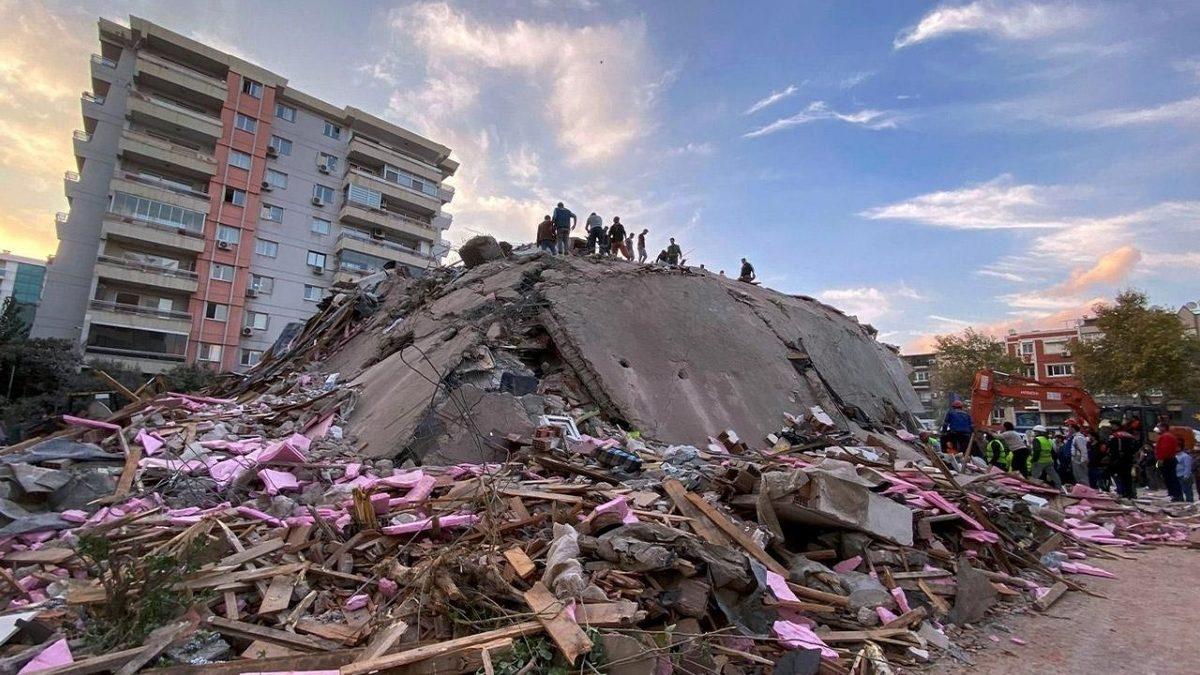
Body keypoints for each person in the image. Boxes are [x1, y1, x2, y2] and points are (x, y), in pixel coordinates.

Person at [1155, 417, 1183, 501]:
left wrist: (1160, 460)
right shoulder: (1167, 436)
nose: (1157, 429)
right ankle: (1174, 494)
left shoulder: (1166, 436)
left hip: (1166, 460)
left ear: (1163, 427)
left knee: (1169, 478)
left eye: (1158, 427)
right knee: (1169, 477)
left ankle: (1175, 495)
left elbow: (1164, 449)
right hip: (1167, 459)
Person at [1109, 421, 1139, 499]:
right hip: (1128, 459)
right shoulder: (1129, 435)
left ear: (1117, 426)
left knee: (1120, 477)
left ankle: (1123, 492)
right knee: (1128, 477)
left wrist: (1113, 459)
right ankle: (1130, 493)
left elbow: (1112, 449)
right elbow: (1135, 446)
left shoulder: (1115, 436)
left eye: (1113, 425)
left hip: (1119, 460)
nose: (1111, 427)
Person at [1068, 423, 1089, 487]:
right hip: (1075, 458)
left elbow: (1083, 450)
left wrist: (1083, 460)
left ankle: (1086, 490)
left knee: (1082, 476)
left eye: (1069, 428)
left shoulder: (1079, 437)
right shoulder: (1075, 437)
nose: (1069, 429)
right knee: (1077, 476)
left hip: (1079, 458)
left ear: (1073, 429)